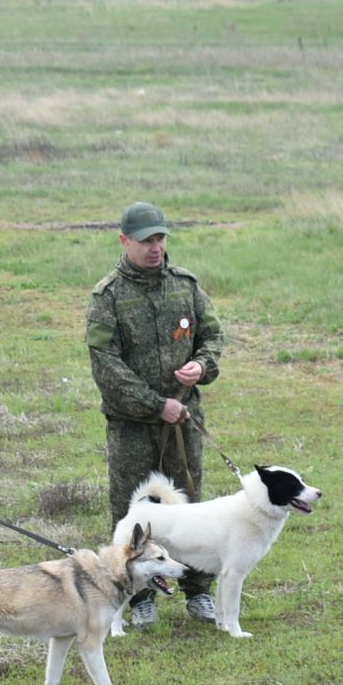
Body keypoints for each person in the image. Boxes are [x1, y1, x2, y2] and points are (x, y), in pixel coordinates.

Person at [85, 201, 226, 626]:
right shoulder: (108, 296)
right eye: (146, 240)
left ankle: (198, 591)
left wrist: (202, 366)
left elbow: (213, 335)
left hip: (183, 421)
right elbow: (105, 364)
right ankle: (136, 595)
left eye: (161, 238)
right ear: (125, 240)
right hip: (133, 426)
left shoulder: (185, 286)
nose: (155, 247)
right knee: (132, 513)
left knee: (190, 510)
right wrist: (154, 404)